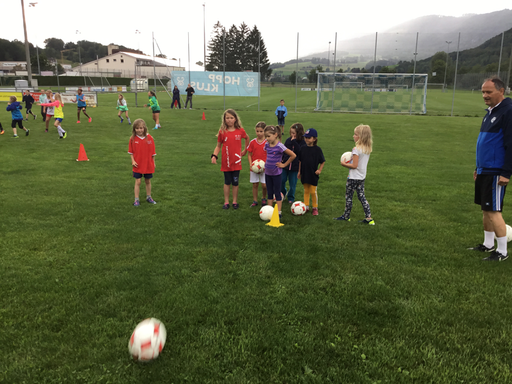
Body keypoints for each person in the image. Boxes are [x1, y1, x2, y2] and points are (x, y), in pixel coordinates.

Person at [469, 77, 512, 261]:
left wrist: (506, 172)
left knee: (494, 211)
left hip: (496, 171)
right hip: (484, 169)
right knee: (486, 210)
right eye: (483, 92)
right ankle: (488, 244)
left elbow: (510, 144)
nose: (485, 96)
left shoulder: (508, 111)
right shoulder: (490, 112)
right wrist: (478, 168)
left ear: (501, 91)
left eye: (489, 92)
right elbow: (486, 144)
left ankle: (502, 252)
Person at [334, 124, 374, 224]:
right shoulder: (367, 149)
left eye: (355, 134)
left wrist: (344, 164)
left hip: (353, 178)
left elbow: (354, 165)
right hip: (361, 177)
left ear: (360, 137)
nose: (353, 136)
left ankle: (346, 216)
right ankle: (369, 218)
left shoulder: (356, 149)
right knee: (362, 197)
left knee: (349, 197)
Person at [211, 109, 250, 210]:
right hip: (226, 162)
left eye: (231, 118)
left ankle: (235, 201)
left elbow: (247, 138)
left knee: (235, 182)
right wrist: (214, 155)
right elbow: (218, 146)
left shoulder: (240, 131)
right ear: (224, 119)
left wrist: (245, 150)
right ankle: (226, 201)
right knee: (227, 182)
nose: (229, 120)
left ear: (235, 119)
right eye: (227, 118)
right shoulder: (222, 132)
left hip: (236, 162)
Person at [264, 125, 296, 218]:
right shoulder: (267, 145)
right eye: (266, 136)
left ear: (275, 135)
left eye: (268, 136)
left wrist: (284, 164)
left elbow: (293, 155)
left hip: (276, 174)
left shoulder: (280, 146)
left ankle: (279, 212)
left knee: (277, 192)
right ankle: (269, 211)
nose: (267, 138)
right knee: (269, 192)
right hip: (267, 173)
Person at [128, 119, 157, 207]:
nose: (139, 130)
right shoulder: (132, 139)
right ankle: (136, 199)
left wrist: (153, 163)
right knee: (138, 181)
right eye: (137, 128)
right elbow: (131, 152)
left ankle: (149, 197)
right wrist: (133, 161)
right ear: (134, 129)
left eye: (141, 128)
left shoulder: (150, 138)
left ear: (144, 128)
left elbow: (153, 153)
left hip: (148, 164)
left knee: (147, 181)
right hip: (137, 164)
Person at [298, 128, 325, 216]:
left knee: (313, 191)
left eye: (309, 138)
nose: (306, 139)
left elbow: (322, 161)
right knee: (306, 190)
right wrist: (299, 172)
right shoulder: (302, 148)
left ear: (314, 139)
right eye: (305, 137)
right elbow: (300, 161)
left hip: (313, 174)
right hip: (304, 173)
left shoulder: (318, 150)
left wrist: (319, 170)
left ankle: (315, 207)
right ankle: (306, 206)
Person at [281, 123, 306, 204]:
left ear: (299, 133)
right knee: (282, 180)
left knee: (293, 184)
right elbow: (283, 150)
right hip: (285, 165)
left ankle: (291, 197)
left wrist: (294, 142)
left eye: (294, 133)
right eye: (291, 133)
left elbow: (301, 152)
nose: (292, 135)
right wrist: (282, 159)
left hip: (295, 167)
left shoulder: (302, 142)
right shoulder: (288, 140)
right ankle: (283, 193)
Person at [247, 121, 268, 207]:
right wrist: (251, 164)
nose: (259, 133)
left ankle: (263, 198)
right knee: (255, 184)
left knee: (264, 185)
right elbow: (249, 154)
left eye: (261, 131)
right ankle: (255, 200)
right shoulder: (252, 142)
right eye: (257, 131)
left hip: (265, 168)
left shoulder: (267, 142)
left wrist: (267, 164)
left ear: (265, 132)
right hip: (254, 167)